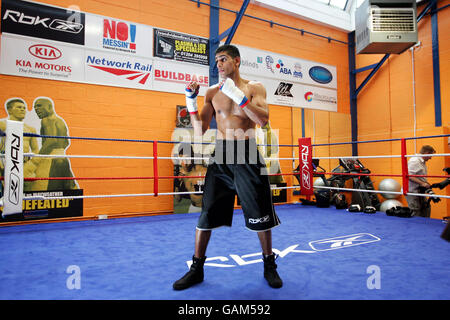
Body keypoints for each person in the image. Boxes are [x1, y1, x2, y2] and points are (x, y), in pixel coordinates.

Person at [173, 44, 282, 290]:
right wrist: (190, 101)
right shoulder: (211, 93)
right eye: (217, 61)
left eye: (223, 59)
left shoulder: (254, 88)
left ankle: (269, 265)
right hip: (221, 156)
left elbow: (262, 119)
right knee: (206, 214)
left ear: (237, 61)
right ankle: (196, 269)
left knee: (260, 214)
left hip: (247, 154)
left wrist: (238, 96)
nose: (219, 64)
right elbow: (200, 130)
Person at [33, 97, 78, 191]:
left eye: (39, 106)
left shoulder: (47, 120)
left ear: (49, 106)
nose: (36, 109)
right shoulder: (60, 121)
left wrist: (37, 159)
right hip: (63, 159)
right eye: (35, 107)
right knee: (70, 190)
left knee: (51, 193)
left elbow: (51, 140)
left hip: (52, 160)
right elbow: (66, 142)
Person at [0, 98, 39, 192]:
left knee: (25, 190)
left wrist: (31, 165)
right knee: (6, 191)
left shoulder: (30, 129)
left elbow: (36, 150)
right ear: (9, 110)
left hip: (24, 163)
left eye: (24, 108)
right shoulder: (2, 124)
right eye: (19, 107)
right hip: (5, 162)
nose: (22, 109)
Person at [406, 144, 436, 217]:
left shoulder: (421, 161)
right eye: (431, 155)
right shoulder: (415, 161)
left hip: (419, 190)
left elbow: (419, 176)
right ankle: (415, 227)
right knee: (415, 211)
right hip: (412, 191)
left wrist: (425, 184)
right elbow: (409, 175)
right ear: (427, 153)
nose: (431, 158)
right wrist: (422, 183)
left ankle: (425, 225)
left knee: (426, 208)